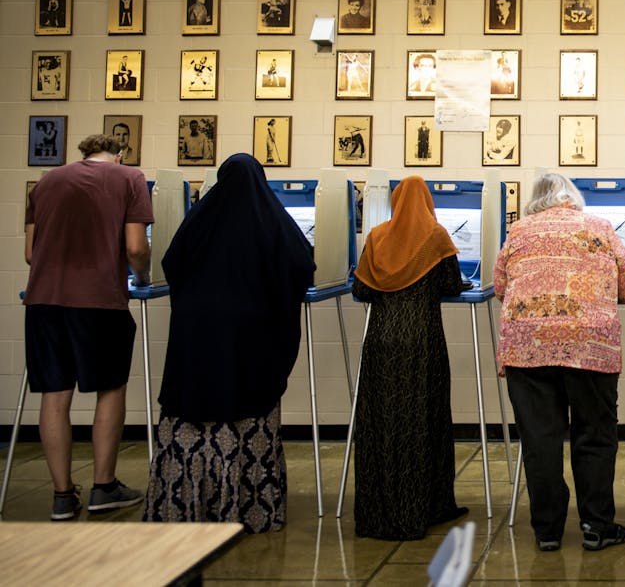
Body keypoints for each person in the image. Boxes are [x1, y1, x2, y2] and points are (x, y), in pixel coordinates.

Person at [144, 154, 314, 532]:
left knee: (190, 410)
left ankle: (183, 506)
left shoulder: (201, 218)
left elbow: (171, 264)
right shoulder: (270, 218)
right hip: (250, 337)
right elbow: (303, 264)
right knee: (249, 406)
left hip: (196, 335)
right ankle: (250, 508)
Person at [493, 173, 625, 552]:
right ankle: (596, 526)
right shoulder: (600, 227)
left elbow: (499, 288)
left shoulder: (519, 231)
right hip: (589, 345)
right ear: (571, 198)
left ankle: (547, 531)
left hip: (527, 346)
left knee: (540, 439)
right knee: (594, 434)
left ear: (534, 201)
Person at [24, 133, 152, 521]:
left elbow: (31, 253)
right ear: (119, 154)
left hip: (44, 300)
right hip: (98, 299)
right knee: (110, 389)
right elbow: (134, 247)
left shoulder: (47, 181)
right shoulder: (129, 178)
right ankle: (103, 486)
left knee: (54, 394)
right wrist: (142, 276)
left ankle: (62, 496)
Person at [350, 177, 469, 541]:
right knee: (423, 422)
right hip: (423, 343)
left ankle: (378, 516)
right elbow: (451, 284)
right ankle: (425, 509)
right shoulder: (436, 236)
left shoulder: (377, 237)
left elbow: (362, 289)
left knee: (381, 424)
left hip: (382, 342)